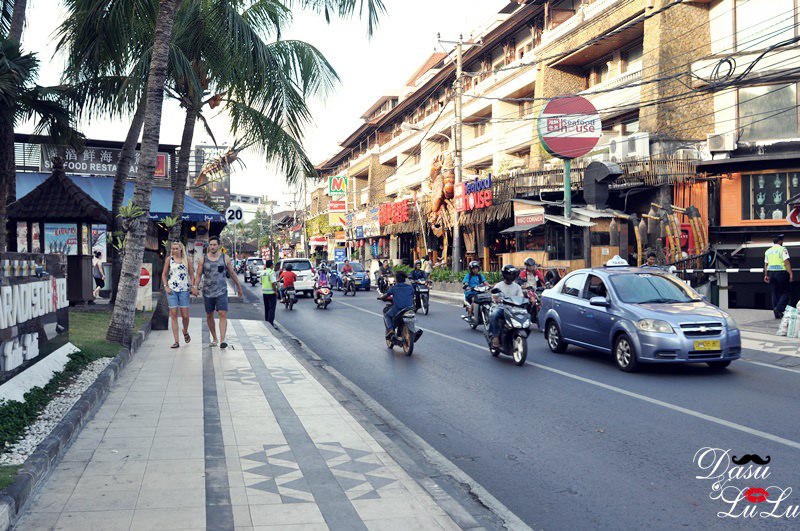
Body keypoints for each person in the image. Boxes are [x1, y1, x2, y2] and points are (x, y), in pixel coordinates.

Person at [193, 236, 243, 349]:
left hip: (221, 291)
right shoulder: (203, 259)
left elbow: (232, 273)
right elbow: (199, 274)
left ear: (219, 245)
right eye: (211, 244)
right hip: (207, 291)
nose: (212, 246)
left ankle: (222, 340)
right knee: (209, 315)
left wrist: (239, 286)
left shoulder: (225, 258)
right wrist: (195, 286)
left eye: (214, 244)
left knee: (222, 313)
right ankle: (214, 338)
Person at [162, 241, 194, 348]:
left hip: (184, 289)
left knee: (185, 316)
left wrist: (193, 286)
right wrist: (166, 286)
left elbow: (192, 275)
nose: (174, 250)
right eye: (173, 249)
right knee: (174, 314)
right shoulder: (169, 260)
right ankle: (176, 341)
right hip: (172, 290)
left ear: (181, 249)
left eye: (176, 248)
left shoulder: (187, 260)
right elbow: (164, 274)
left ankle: (185, 331)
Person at [379, 270, 422, 341]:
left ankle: (391, 330)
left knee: (387, 315)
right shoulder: (410, 287)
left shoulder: (394, 288)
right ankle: (413, 332)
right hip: (410, 308)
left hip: (399, 308)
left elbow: (385, 296)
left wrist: (381, 298)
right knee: (411, 318)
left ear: (396, 279)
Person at [488, 265, 524, 348]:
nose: (511, 276)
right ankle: (496, 336)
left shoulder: (517, 287)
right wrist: (496, 298)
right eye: (509, 274)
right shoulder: (499, 285)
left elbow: (521, 297)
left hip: (514, 309)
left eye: (512, 274)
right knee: (494, 315)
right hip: (502, 308)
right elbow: (494, 295)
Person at [764, 234, 793, 319]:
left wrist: (766, 275)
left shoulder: (768, 251)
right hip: (781, 273)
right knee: (787, 291)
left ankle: (776, 314)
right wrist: (790, 273)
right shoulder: (782, 249)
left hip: (771, 273)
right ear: (780, 241)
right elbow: (786, 262)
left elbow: (766, 264)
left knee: (774, 293)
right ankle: (779, 308)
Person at [261, 259, 278, 328]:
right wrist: (276, 291)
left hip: (264, 292)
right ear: (271, 265)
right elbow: (273, 283)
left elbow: (261, 282)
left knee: (267, 308)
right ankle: (270, 323)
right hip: (271, 293)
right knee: (272, 308)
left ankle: (267, 322)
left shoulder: (263, 272)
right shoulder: (271, 272)